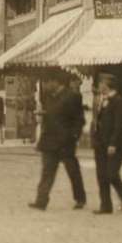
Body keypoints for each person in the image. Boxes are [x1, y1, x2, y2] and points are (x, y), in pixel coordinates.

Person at [29, 71, 87, 210]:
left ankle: (80, 198)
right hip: (49, 141)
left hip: (66, 142)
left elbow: (79, 120)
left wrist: (73, 137)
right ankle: (41, 201)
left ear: (56, 82)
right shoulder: (49, 97)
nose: (45, 85)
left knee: (73, 172)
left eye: (47, 82)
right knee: (47, 172)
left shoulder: (72, 96)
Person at [91, 73, 122, 214]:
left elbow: (119, 125)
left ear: (108, 85)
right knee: (101, 175)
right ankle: (105, 206)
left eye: (101, 83)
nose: (99, 86)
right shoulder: (101, 99)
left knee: (111, 174)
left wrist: (113, 143)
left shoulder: (120, 101)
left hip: (115, 144)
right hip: (100, 143)